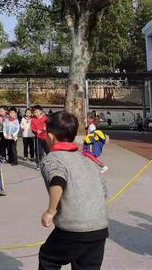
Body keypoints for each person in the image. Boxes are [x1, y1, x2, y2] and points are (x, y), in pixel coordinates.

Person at [39, 111, 108, 270]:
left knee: (48, 258)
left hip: (72, 229)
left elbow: (57, 181)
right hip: (99, 228)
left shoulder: (53, 159)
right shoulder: (88, 160)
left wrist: (50, 212)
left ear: (50, 137)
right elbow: (103, 190)